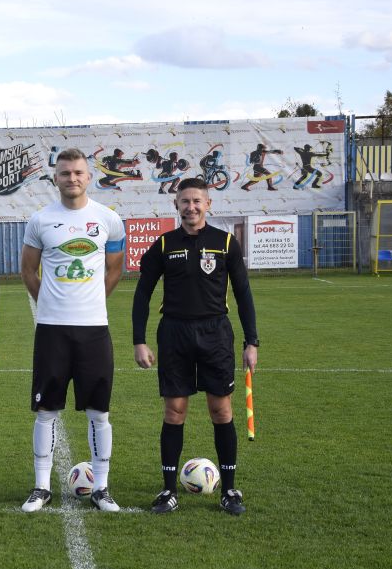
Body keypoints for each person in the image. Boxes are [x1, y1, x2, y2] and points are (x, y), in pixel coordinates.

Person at [131, 176, 259, 516]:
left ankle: (229, 490)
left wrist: (252, 341)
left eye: (197, 201)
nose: (191, 207)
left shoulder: (225, 242)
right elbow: (142, 294)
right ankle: (168, 490)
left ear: (208, 204)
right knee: (174, 411)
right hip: (175, 334)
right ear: (176, 205)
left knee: (221, 410)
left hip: (216, 334)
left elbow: (243, 294)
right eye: (185, 201)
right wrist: (139, 340)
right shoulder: (163, 245)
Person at [19, 148, 125, 513]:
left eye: (78, 172)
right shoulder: (40, 220)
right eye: (65, 173)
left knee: (99, 412)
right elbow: (28, 271)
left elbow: (115, 269)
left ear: (88, 177)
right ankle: (41, 487)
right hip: (52, 330)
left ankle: (102, 488)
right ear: (56, 178)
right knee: (46, 410)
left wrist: (93, 300)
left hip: (94, 329)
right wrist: (49, 302)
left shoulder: (109, 220)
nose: (72, 178)